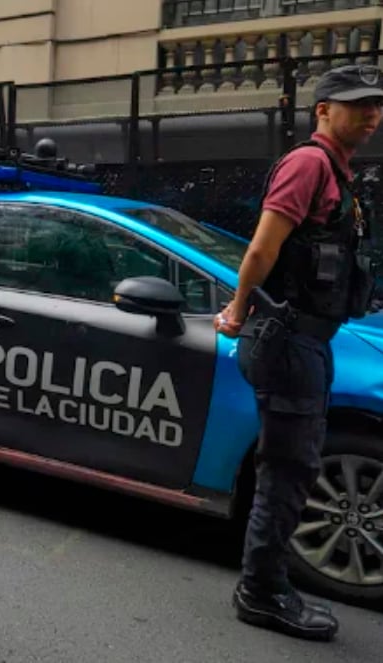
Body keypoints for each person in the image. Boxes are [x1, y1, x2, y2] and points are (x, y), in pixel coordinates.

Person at [215, 63, 383, 641]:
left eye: (377, 104)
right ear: (323, 111)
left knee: (294, 466)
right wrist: (237, 312)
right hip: (287, 340)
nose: (371, 113)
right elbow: (262, 250)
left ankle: (267, 578)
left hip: (306, 340)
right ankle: (261, 592)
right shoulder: (309, 164)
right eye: (357, 103)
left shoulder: (337, 171)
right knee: (288, 471)